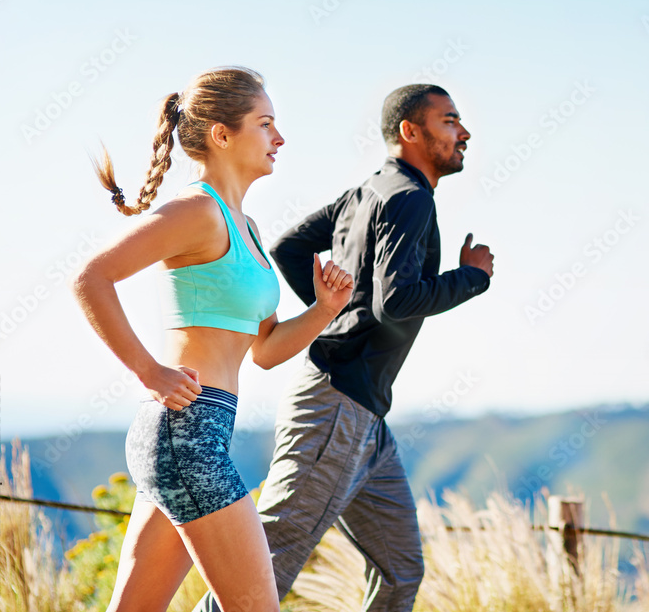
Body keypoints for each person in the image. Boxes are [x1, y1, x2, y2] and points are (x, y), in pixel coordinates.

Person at [192, 84, 495, 612]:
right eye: (450, 121)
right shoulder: (409, 198)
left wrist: (332, 310)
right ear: (411, 131)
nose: (463, 133)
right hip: (337, 404)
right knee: (266, 566)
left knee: (400, 571)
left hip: (364, 413)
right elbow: (396, 301)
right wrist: (471, 277)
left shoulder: (371, 191)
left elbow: (289, 248)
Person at [71, 66, 354, 612]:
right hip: (188, 433)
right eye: (265, 123)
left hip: (194, 432)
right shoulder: (197, 210)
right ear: (222, 135)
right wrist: (148, 371)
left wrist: (324, 309)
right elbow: (91, 277)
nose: (280, 137)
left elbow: (265, 351)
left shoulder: (244, 226)